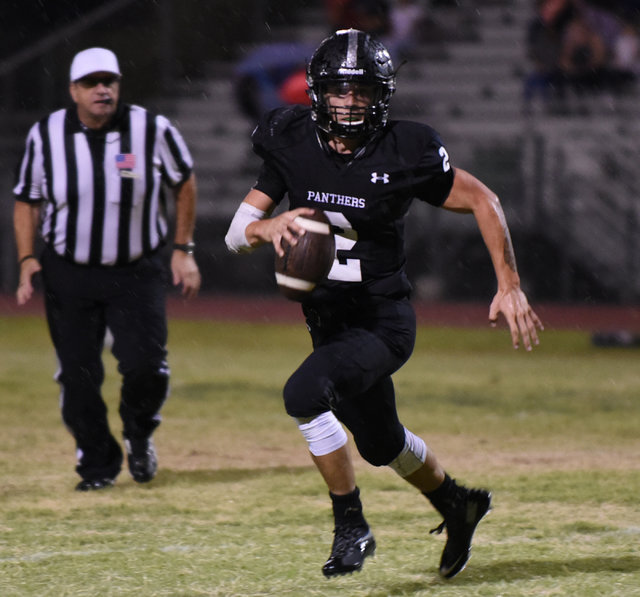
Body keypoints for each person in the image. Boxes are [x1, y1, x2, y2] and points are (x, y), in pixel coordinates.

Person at [225, 29, 543, 579]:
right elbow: (236, 231)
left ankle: (351, 524)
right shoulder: (290, 139)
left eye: (363, 92)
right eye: (340, 91)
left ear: (382, 96)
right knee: (382, 444)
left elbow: (484, 199)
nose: (350, 104)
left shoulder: (404, 149)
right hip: (327, 323)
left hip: (381, 321)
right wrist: (267, 226)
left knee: (303, 395)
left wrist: (508, 282)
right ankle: (458, 505)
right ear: (318, 94)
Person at [12, 47, 201, 491]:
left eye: (109, 81)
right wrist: (26, 258)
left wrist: (183, 248)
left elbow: (185, 182)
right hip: (70, 273)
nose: (103, 89)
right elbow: (27, 199)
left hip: (135, 270)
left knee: (145, 366)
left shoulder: (151, 130)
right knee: (77, 374)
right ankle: (97, 464)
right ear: (73, 90)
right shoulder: (46, 135)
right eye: (92, 82)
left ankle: (138, 433)